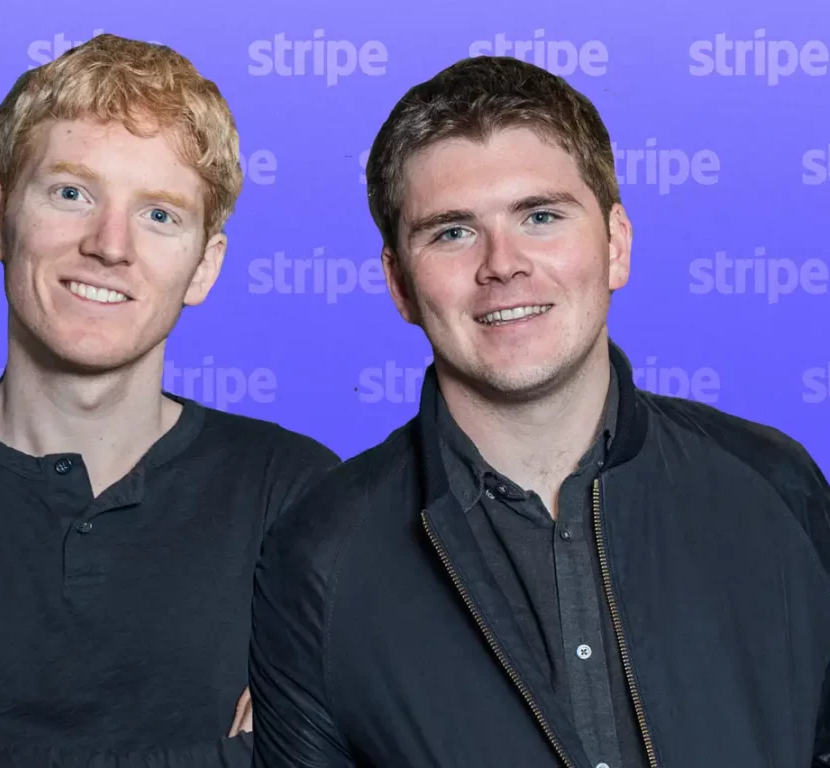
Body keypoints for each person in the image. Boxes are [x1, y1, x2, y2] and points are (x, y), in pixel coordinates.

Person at [248, 54, 830, 768]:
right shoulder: (319, 557)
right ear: (399, 284)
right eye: (452, 232)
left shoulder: (777, 486)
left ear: (615, 245)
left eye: (542, 216)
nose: (503, 263)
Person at [0, 33, 339, 768]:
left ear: (204, 266)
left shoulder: (298, 493)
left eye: (159, 214)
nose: (110, 244)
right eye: (71, 193)